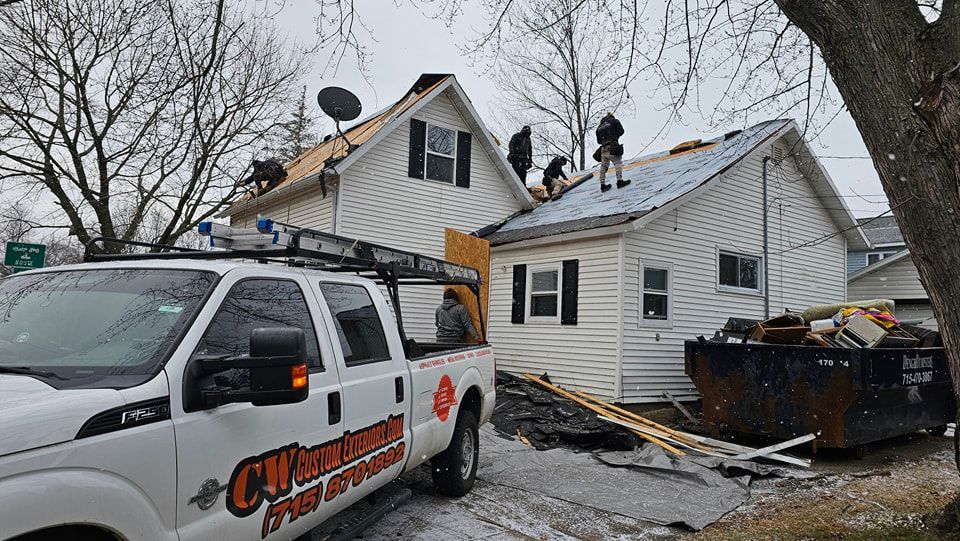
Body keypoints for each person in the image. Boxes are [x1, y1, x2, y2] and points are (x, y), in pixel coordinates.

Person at [595, 113, 630, 192]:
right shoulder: (614, 121)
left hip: (603, 149)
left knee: (603, 166)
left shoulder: (599, 127)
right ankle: (619, 181)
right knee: (617, 162)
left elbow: (599, 141)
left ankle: (602, 185)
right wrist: (614, 135)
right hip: (612, 145)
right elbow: (621, 131)